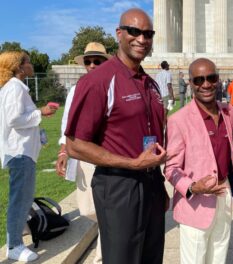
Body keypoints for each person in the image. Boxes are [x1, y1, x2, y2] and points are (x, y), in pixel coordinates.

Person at [65, 8, 168, 264]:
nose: (141, 39)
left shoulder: (150, 84)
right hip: (119, 184)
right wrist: (133, 163)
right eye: (134, 31)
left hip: (151, 181)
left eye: (148, 33)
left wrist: (159, 183)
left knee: (151, 256)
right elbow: (75, 145)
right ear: (119, 34)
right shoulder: (99, 80)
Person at [165, 58, 233, 264]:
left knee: (219, 255)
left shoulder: (229, 112)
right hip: (194, 204)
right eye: (199, 80)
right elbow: (171, 168)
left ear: (218, 80)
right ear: (190, 83)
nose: (206, 84)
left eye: (211, 78)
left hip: (223, 194)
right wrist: (192, 187)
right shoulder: (178, 121)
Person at [55, 42, 111, 264]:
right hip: (82, 153)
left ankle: (103, 256)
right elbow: (67, 121)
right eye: (88, 61)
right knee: (87, 208)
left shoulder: (112, 86)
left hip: (106, 154)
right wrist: (63, 150)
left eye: (97, 61)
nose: (92, 65)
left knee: (106, 208)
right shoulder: (76, 89)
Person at [0, 51, 57, 261]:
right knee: (20, 199)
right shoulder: (15, 87)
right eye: (28, 61)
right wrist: (40, 112)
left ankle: (17, 236)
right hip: (20, 152)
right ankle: (14, 246)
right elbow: (15, 119)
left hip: (22, 151)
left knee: (22, 197)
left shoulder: (13, 88)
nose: (31, 65)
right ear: (20, 67)